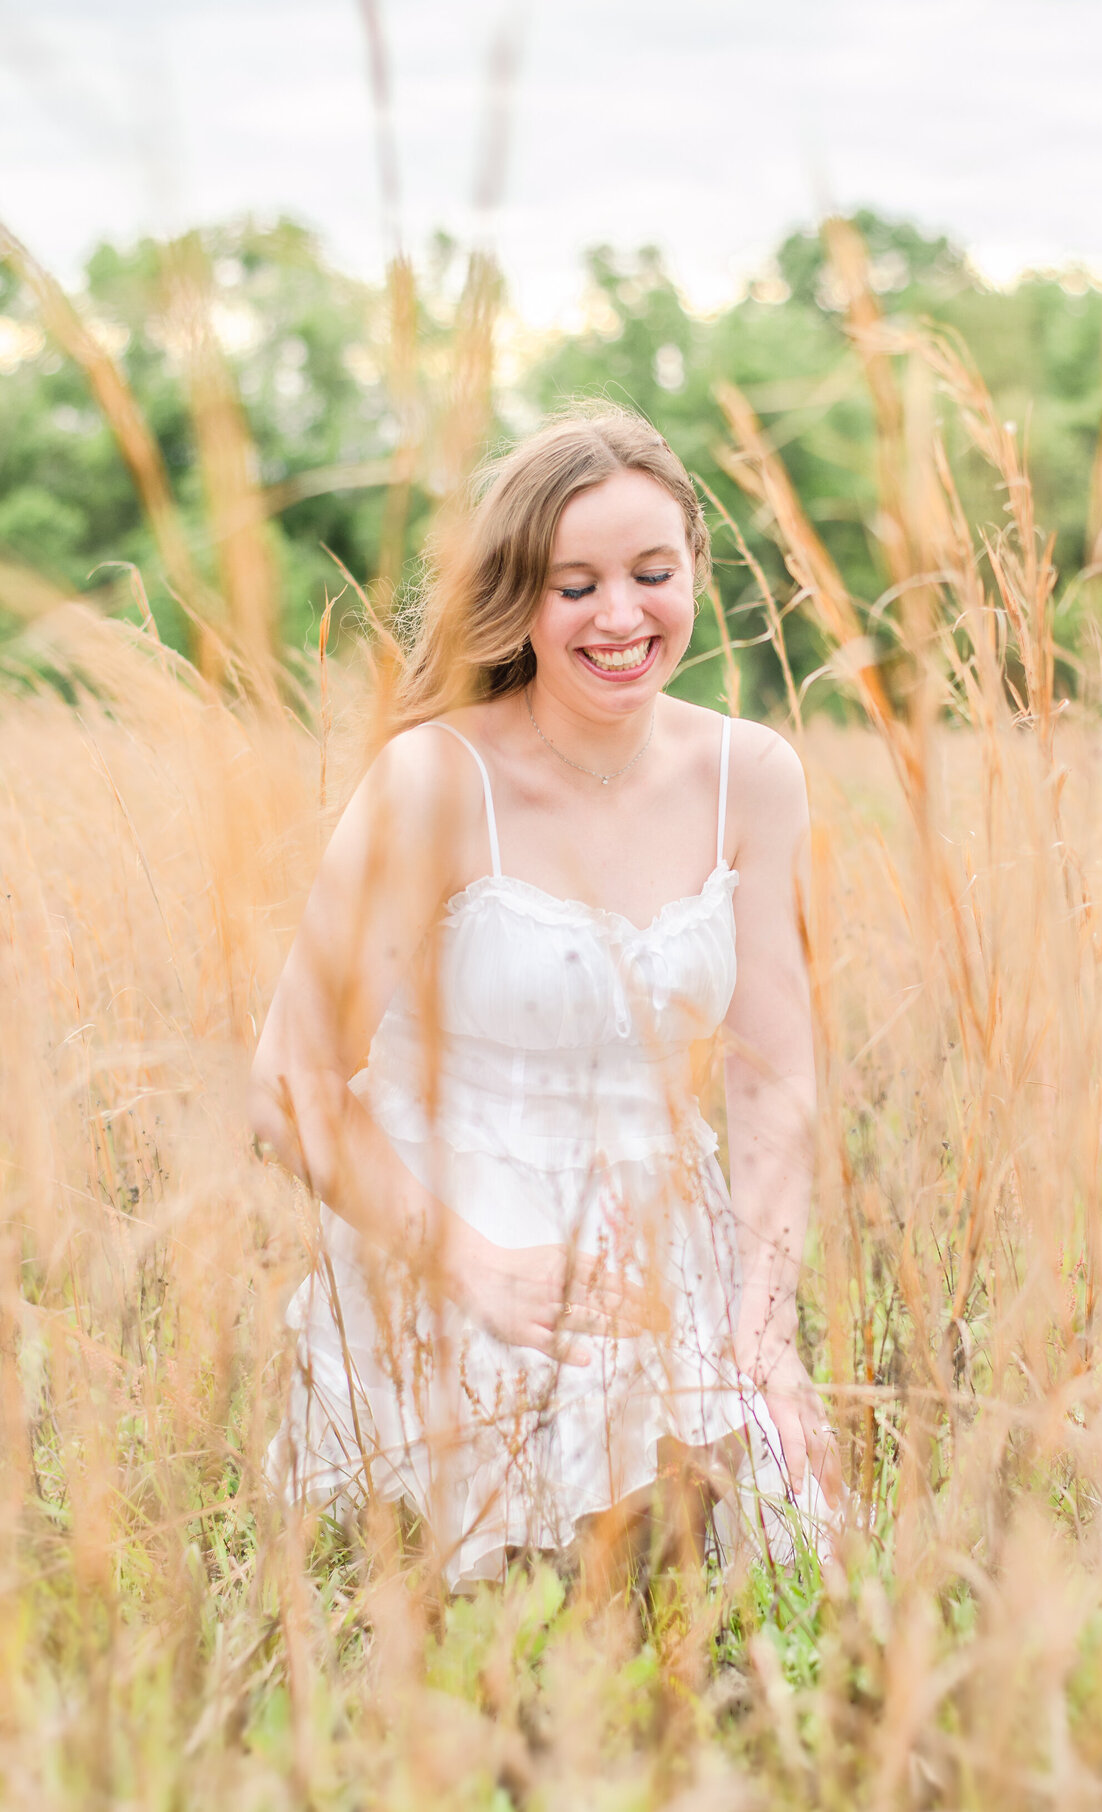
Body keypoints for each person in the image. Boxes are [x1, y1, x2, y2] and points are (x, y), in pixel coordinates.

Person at [249, 408, 843, 1593]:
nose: (621, 617)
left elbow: (775, 1079)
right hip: (454, 1224)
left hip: (665, 1234)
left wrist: (762, 1332)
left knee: (753, 1561)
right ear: (518, 598)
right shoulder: (435, 778)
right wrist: (470, 1263)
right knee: (519, 1594)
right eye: (576, 585)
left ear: (694, 576)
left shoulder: (751, 776)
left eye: (650, 573)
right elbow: (289, 1084)